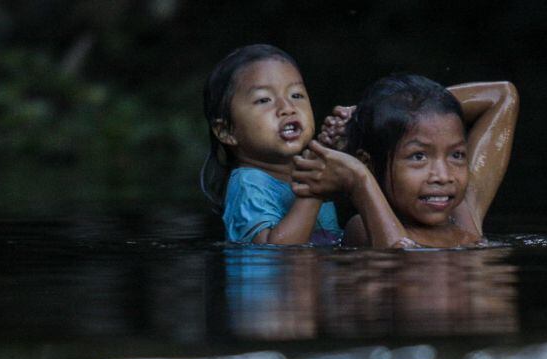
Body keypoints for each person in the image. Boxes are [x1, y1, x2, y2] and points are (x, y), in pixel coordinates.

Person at [291, 74, 519, 248]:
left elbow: (502, 95)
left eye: (456, 155)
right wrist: (359, 179)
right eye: (418, 156)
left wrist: (372, 114)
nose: (443, 175)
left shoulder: (462, 216)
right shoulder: (363, 226)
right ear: (367, 163)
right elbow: (401, 256)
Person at [201, 44, 344, 245]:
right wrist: (313, 188)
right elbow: (276, 253)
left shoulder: (312, 169)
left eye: (296, 95)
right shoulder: (248, 185)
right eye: (264, 100)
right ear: (227, 131)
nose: (287, 108)